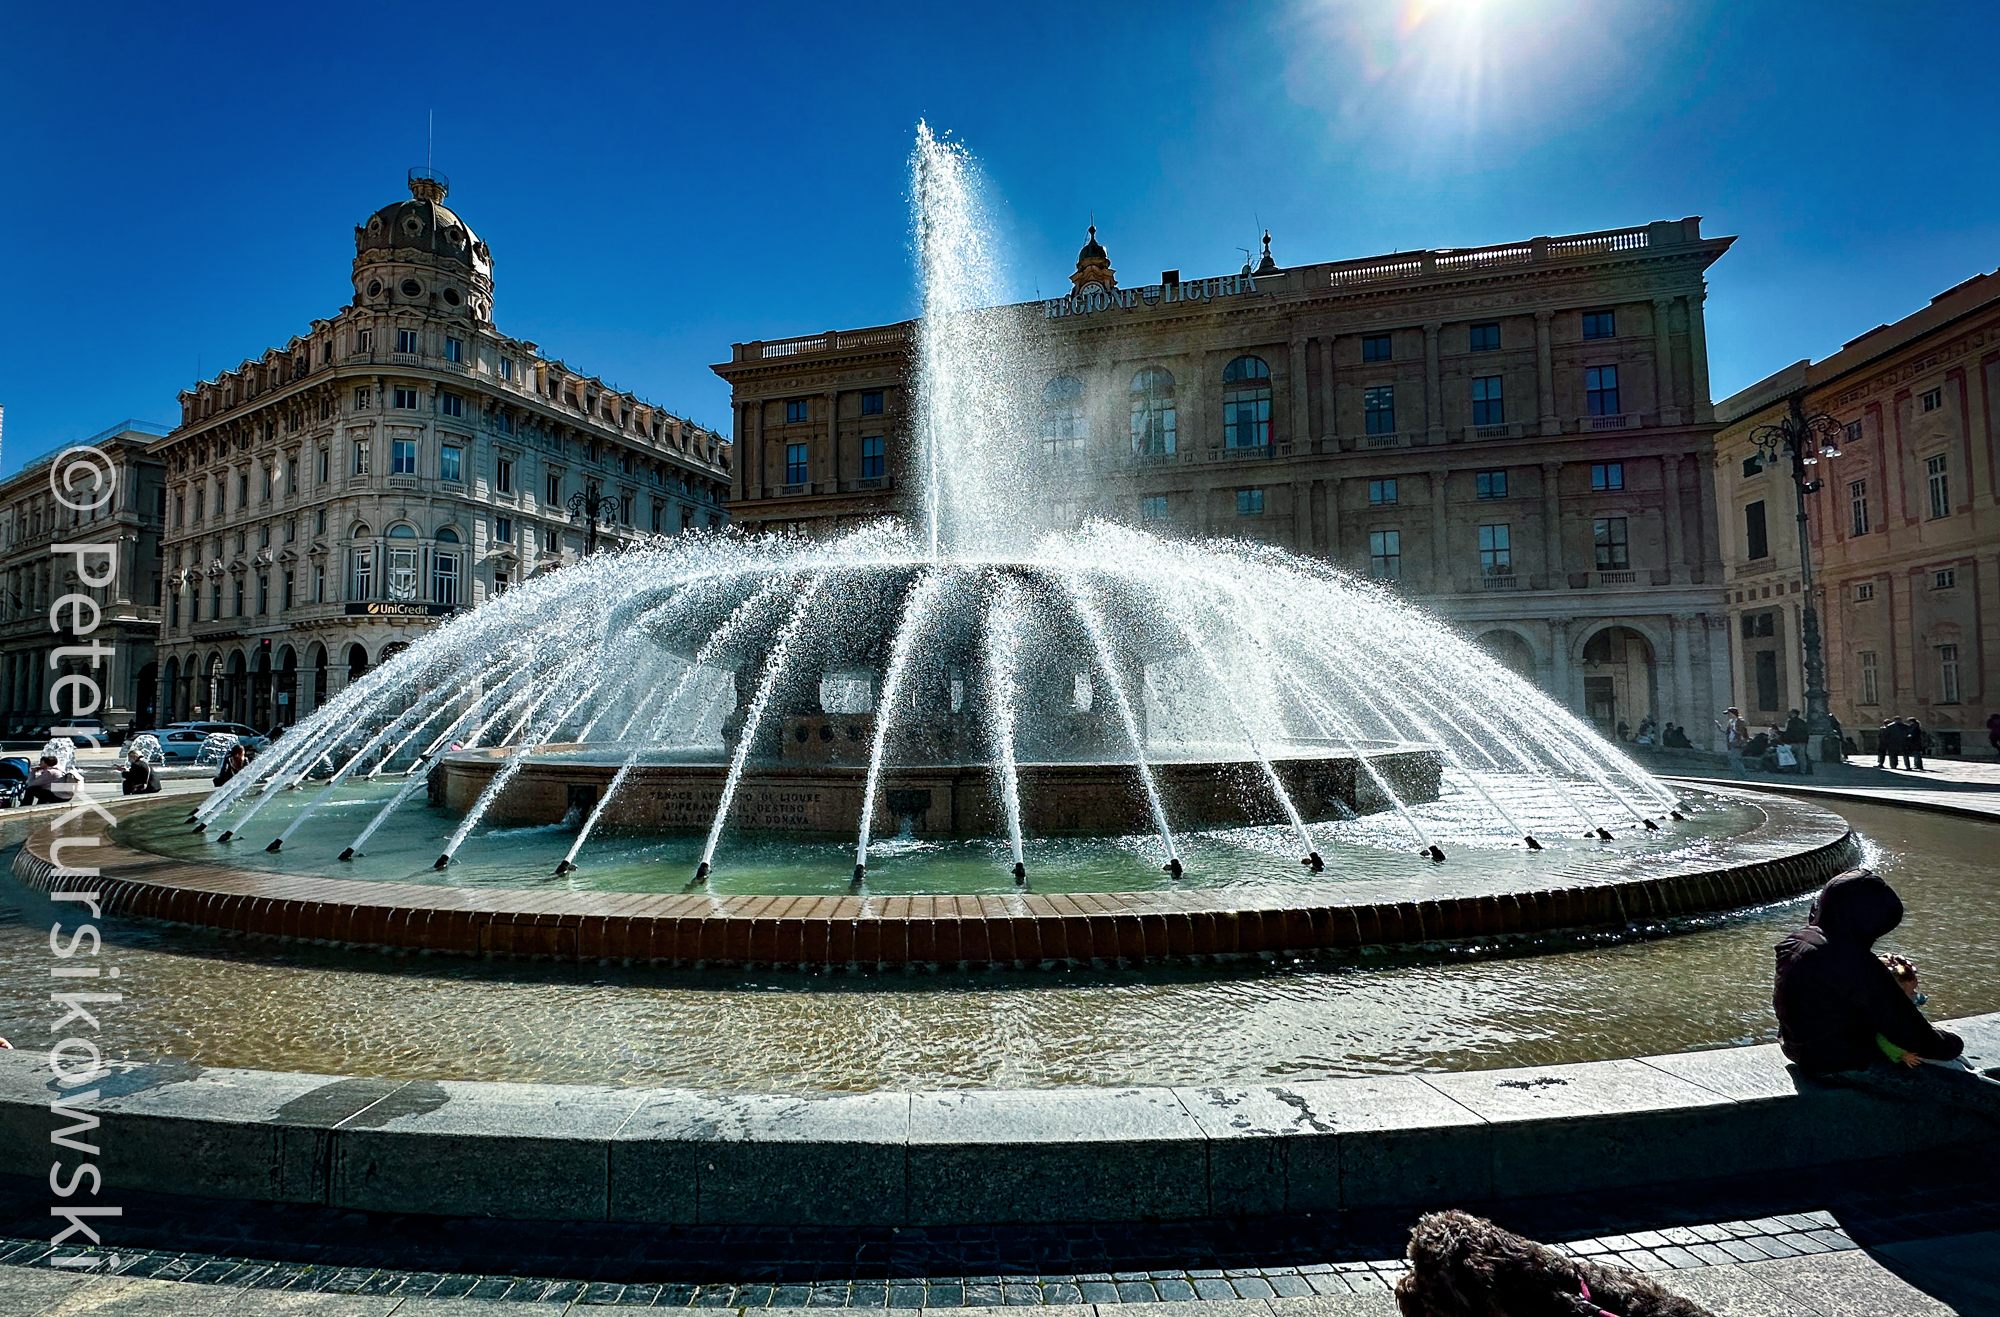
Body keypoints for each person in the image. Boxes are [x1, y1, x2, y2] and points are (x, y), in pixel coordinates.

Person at [1774, 869, 2000, 1121]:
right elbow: (1904, 1027)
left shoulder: (1798, 942)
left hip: (1799, 1048)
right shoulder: (1853, 962)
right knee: (1981, 1093)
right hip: (1840, 1063)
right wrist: (1951, 1043)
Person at [1780, 708, 1813, 775]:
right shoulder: (1802, 722)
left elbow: (1789, 732)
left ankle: (1790, 769)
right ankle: (1803, 770)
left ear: (1793, 714)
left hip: (1793, 742)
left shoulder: (1791, 722)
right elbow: (1806, 732)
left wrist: (1784, 740)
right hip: (1802, 742)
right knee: (1802, 757)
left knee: (1788, 754)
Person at [1716, 706, 1747, 773]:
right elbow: (1727, 732)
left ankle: (1742, 775)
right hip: (1731, 742)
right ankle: (1737, 774)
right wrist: (1720, 728)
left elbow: (1742, 732)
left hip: (1738, 743)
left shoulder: (1740, 722)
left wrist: (1734, 729)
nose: (1728, 715)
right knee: (1732, 759)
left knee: (1737, 759)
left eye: (1729, 713)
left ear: (1733, 714)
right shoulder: (1730, 722)